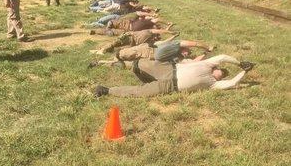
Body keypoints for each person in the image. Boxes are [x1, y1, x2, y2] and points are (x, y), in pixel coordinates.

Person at [94, 56, 255, 97]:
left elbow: (232, 83)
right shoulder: (208, 63)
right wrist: (240, 63)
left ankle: (106, 90)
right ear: (217, 68)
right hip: (168, 70)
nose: (223, 76)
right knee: (138, 64)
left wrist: (244, 72)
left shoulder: (213, 84)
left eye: (223, 77)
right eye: (223, 72)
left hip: (171, 87)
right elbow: (223, 57)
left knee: (140, 93)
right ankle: (122, 64)